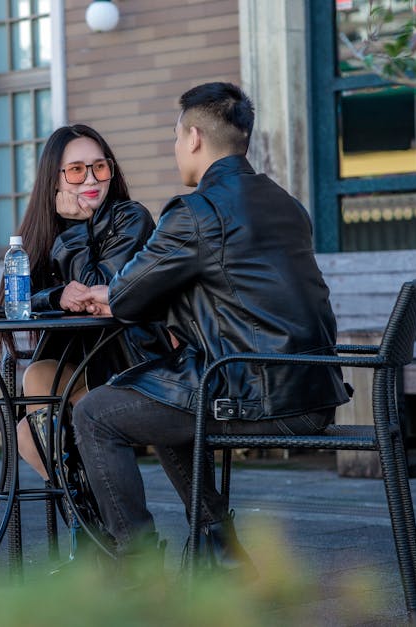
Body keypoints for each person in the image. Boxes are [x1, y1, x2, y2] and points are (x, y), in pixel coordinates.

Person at [67, 82, 351, 571]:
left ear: (195, 136)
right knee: (161, 386)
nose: (174, 149)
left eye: (176, 138)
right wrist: (116, 298)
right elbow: (237, 290)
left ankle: (135, 567)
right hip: (313, 387)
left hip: (259, 393)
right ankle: (220, 551)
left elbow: (132, 294)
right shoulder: (285, 203)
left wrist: (108, 295)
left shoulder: (196, 212)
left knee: (97, 412)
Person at [4, 124, 167, 482]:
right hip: (79, 363)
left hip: (125, 365)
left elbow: (97, 292)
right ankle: (84, 511)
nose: (91, 178)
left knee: (67, 411)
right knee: (27, 429)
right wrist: (55, 295)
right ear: (56, 179)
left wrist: (76, 227)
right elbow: (15, 298)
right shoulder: (43, 229)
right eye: (77, 169)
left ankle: (101, 518)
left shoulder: (130, 218)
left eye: (100, 166)